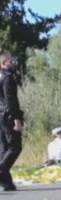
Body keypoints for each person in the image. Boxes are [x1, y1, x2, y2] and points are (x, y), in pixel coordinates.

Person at [0, 51, 24, 191]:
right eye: (10, 61)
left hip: (0, 115)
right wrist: (17, 119)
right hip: (7, 115)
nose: (13, 62)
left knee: (4, 148)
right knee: (15, 147)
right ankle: (1, 170)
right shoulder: (8, 78)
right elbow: (11, 100)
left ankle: (6, 182)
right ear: (4, 63)